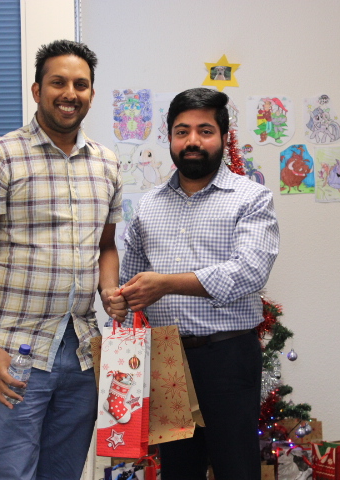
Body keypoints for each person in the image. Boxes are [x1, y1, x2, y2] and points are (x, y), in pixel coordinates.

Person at [0, 39, 127, 480]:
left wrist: (109, 288)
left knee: (65, 473)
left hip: (82, 352)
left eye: (80, 84)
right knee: (11, 473)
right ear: (37, 90)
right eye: (58, 82)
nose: (70, 93)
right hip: (15, 353)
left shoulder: (108, 164)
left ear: (91, 94)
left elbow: (106, 246)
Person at [119, 87, 280, 480]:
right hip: (166, 358)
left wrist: (167, 284)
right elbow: (131, 280)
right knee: (178, 469)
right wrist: (119, 300)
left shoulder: (252, 198)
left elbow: (249, 272)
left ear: (223, 137)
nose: (192, 140)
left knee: (236, 468)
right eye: (182, 131)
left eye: (205, 130)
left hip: (227, 355)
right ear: (170, 138)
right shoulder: (149, 205)